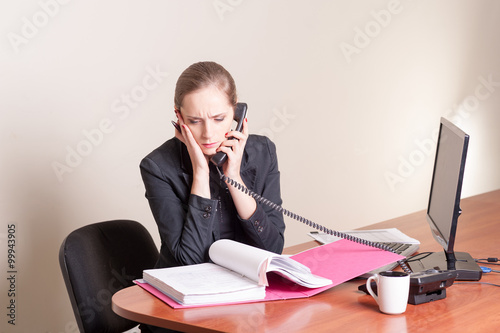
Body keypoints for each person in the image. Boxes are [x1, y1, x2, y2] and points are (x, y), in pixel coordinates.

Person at [140, 61, 286, 271]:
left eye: (219, 119)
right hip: (185, 294)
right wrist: (200, 171)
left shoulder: (263, 153)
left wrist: (234, 178)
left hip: (245, 288)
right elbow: (188, 260)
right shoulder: (157, 167)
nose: (208, 133)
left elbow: (273, 249)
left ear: (237, 113)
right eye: (194, 121)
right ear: (179, 117)